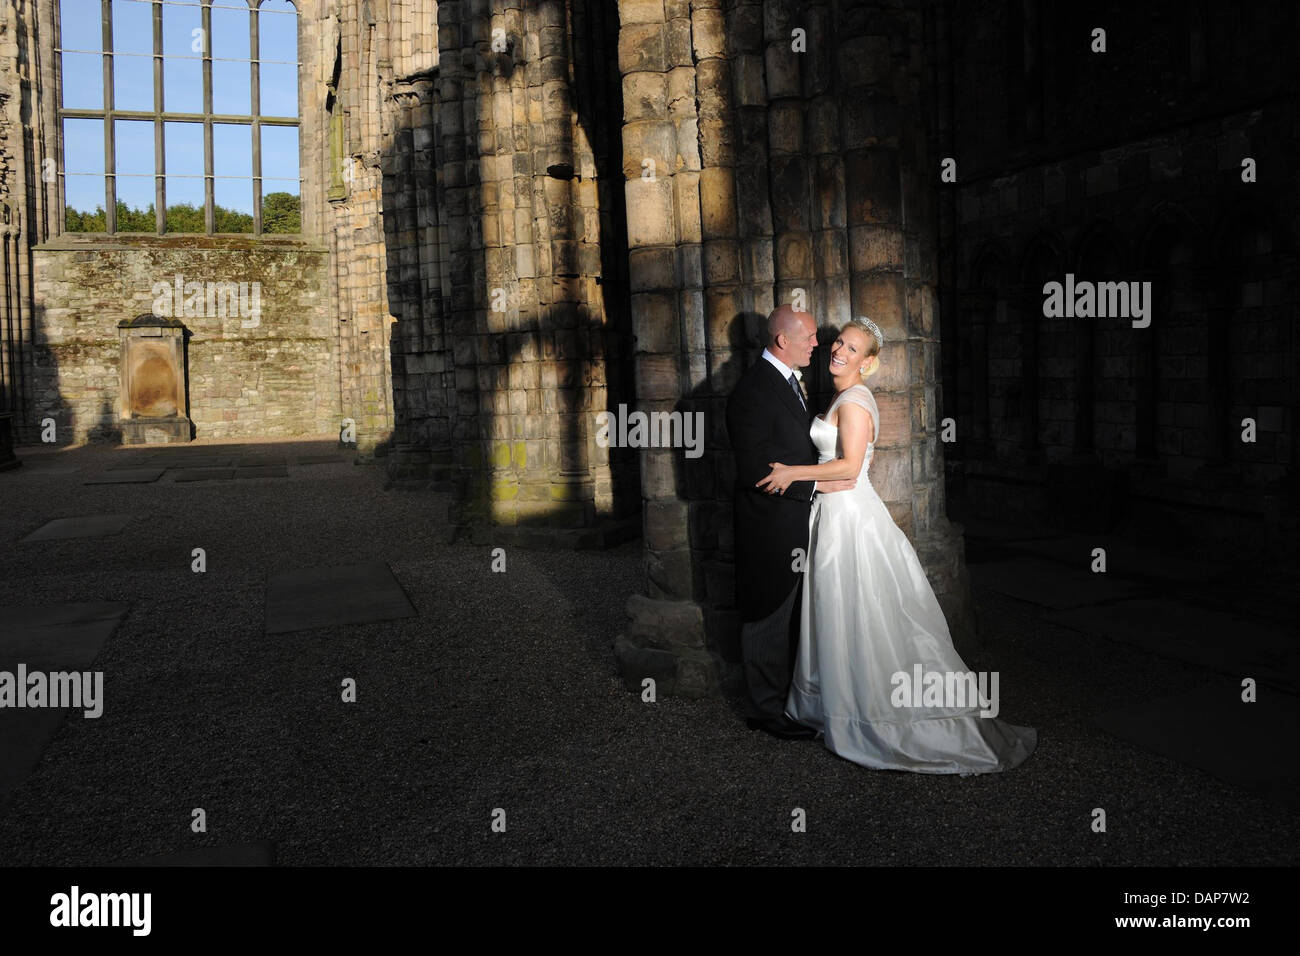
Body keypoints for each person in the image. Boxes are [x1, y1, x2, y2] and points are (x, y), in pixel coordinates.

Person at [757, 317, 1037, 773]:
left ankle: (873, 715)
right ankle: (834, 704)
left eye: (852, 349)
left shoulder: (854, 402)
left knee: (862, 614)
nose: (839, 351)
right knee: (839, 612)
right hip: (835, 516)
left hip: (849, 520)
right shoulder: (841, 397)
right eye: (839, 342)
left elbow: (848, 469)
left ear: (868, 363)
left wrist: (791, 473)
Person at [725, 305, 856, 739]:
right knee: (768, 612)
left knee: (793, 615)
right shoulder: (752, 391)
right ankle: (764, 712)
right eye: (810, 338)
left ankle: (791, 701)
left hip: (798, 521)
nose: (817, 345)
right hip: (770, 526)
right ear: (783, 341)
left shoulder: (789, 382)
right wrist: (816, 488)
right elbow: (756, 470)